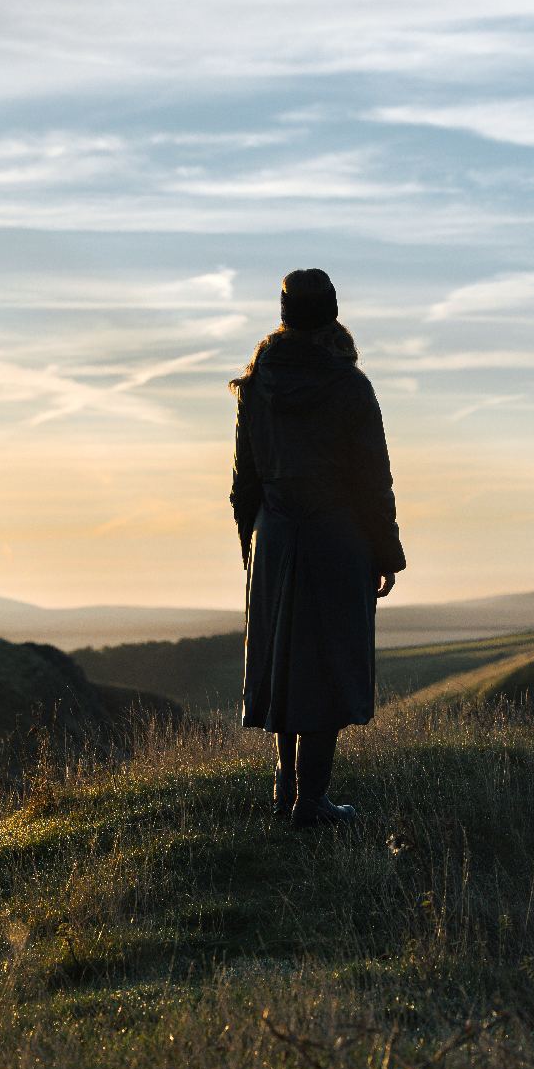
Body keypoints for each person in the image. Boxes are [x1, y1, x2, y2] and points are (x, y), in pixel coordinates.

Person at [229, 268, 406, 828]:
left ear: (283, 315)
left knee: (284, 661)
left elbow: (244, 480)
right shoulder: (351, 387)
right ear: (332, 313)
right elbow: (373, 480)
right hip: (337, 536)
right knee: (328, 663)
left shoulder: (256, 386)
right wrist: (386, 551)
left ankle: (286, 792)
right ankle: (313, 801)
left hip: (275, 535)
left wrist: (250, 547)